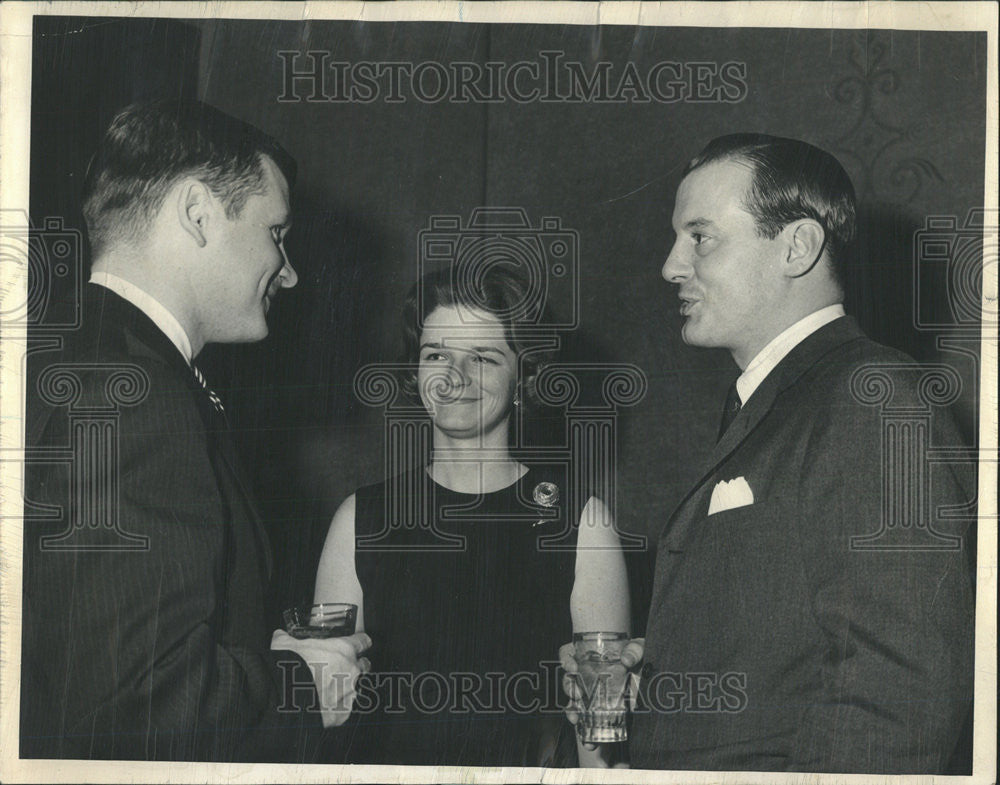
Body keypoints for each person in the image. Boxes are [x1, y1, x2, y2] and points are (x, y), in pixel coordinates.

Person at [562, 133, 975, 772]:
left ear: (797, 247)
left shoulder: (875, 396)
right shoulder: (777, 401)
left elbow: (901, 695)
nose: (671, 266)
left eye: (700, 237)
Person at [21, 99, 371, 761]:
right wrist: (302, 682)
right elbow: (136, 706)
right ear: (197, 213)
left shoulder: (58, 355)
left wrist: (252, 655)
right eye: (277, 231)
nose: (290, 271)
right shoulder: (138, 395)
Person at [315, 265, 630, 766]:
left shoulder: (582, 524)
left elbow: (602, 741)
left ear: (524, 376)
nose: (453, 376)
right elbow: (325, 721)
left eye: (482, 357)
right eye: (436, 353)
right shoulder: (359, 520)